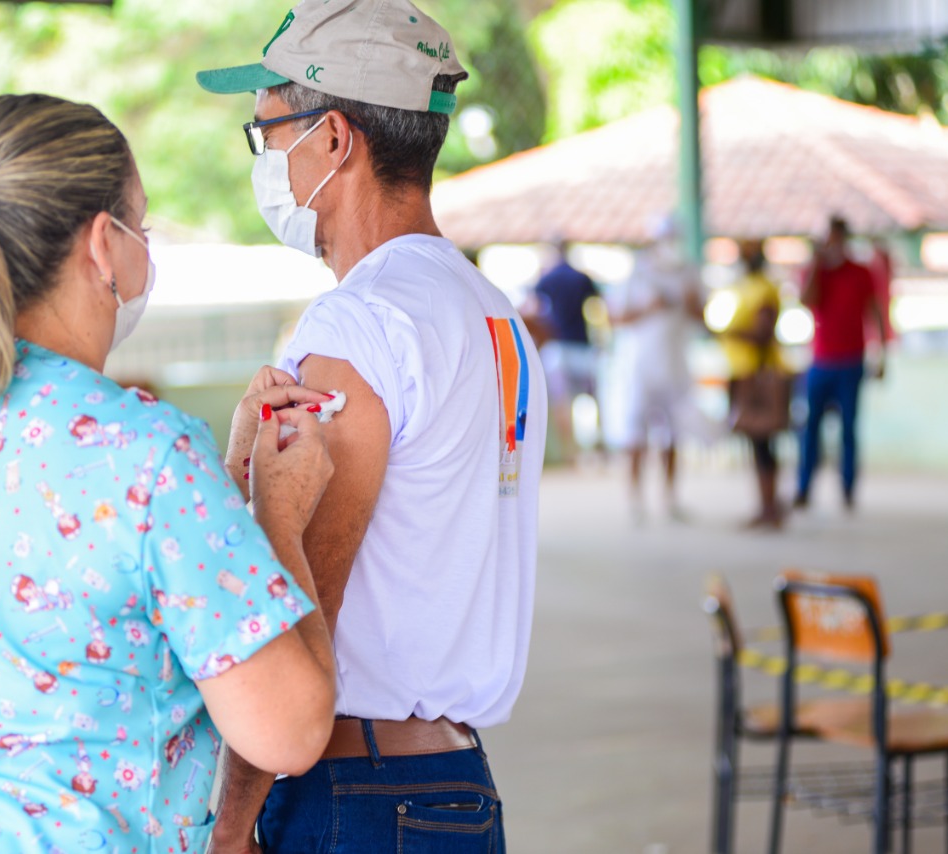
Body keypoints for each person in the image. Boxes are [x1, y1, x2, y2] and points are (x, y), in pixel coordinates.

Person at [0, 93, 339, 854]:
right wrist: (275, 516)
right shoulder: (146, 455)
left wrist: (217, 499)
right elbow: (290, 730)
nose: (146, 251)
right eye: (140, 228)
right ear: (101, 244)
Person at [196, 1, 547, 850]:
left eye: (269, 132)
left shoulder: (359, 326)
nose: (267, 158)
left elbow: (297, 606)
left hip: (356, 792)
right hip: (457, 786)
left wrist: (231, 824)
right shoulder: (493, 316)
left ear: (335, 138)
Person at [604, 215, 706, 522]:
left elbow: (703, 317)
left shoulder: (689, 273)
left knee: (672, 435)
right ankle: (634, 500)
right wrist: (649, 309)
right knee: (636, 434)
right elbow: (614, 318)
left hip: (674, 365)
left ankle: (670, 499)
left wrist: (689, 305)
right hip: (639, 367)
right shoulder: (637, 273)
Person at [794, 216, 887, 511]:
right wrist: (817, 265)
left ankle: (847, 488)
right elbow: (806, 301)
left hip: (851, 361)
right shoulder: (816, 272)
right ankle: (804, 487)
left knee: (849, 428)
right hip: (820, 361)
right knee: (811, 427)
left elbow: (875, 313)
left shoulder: (860, 273)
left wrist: (881, 352)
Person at [719, 239, 788, 528]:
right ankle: (765, 505)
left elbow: (762, 333)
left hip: (757, 373)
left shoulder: (763, 289)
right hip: (743, 371)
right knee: (757, 443)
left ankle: (770, 507)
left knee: (763, 443)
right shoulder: (746, 287)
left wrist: (730, 332)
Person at [531, 240, 601, 463]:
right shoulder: (581, 278)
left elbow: (536, 311)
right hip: (581, 344)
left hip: (558, 345)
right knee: (591, 399)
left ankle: (569, 452)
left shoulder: (546, 280)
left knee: (562, 401)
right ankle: (595, 448)